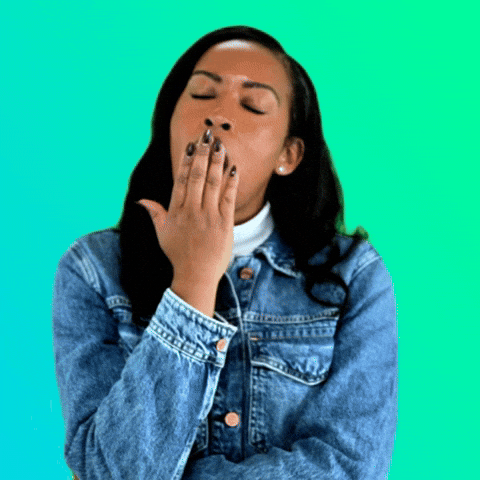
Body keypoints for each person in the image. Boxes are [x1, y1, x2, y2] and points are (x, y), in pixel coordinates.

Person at [52, 25, 397, 480]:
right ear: (169, 123)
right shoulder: (92, 269)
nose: (218, 116)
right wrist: (193, 280)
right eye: (201, 95)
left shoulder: (355, 276)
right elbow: (109, 470)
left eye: (252, 105)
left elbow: (351, 468)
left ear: (289, 154)